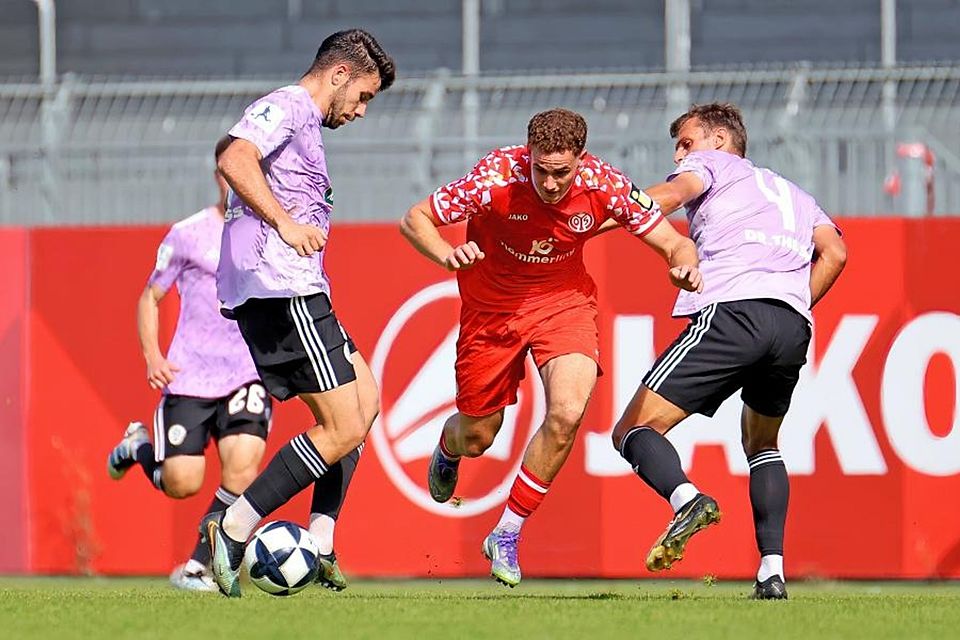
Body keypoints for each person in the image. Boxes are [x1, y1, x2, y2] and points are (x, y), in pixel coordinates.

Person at [399, 108, 703, 587]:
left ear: (581, 159)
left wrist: (682, 267)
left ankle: (506, 532)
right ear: (529, 154)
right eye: (541, 169)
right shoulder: (495, 176)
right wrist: (446, 253)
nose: (550, 182)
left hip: (564, 306)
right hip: (491, 312)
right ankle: (449, 445)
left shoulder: (606, 184)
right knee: (479, 437)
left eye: (561, 172)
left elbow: (674, 243)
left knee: (567, 412)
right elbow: (415, 218)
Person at [608, 103, 847, 600]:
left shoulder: (712, 165)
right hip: (791, 323)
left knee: (632, 429)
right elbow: (836, 253)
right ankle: (772, 572)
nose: (679, 154)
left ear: (719, 141)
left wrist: (603, 210)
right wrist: (794, 300)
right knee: (763, 444)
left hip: (734, 312)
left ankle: (686, 500)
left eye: (686, 142)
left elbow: (671, 196)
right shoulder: (795, 193)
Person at [202, 29, 395, 598]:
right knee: (341, 426)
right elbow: (233, 156)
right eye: (363, 96)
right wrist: (284, 222)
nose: (360, 111)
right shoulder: (286, 106)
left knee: (366, 403)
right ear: (340, 74)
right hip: (277, 287)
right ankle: (234, 526)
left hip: (298, 286)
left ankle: (322, 540)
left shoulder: (306, 123)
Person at [106, 138, 272, 592]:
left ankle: (199, 566)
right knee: (182, 481)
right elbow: (150, 297)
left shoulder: (267, 229)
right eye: (231, 173)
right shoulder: (188, 233)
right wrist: (153, 356)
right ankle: (138, 446)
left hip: (246, 371)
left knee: (241, 469)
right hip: (192, 376)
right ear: (220, 175)